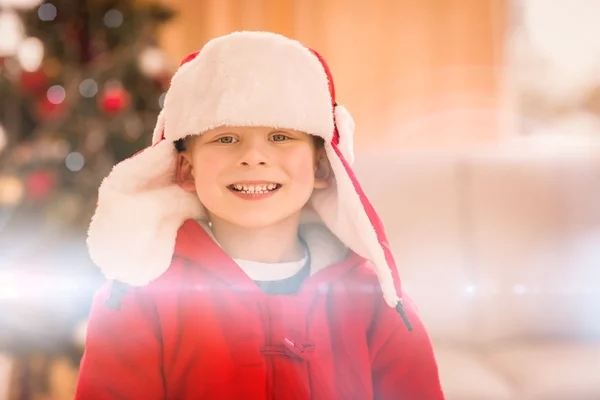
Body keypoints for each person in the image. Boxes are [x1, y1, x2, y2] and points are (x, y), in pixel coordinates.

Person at [75, 31, 445, 399]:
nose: (254, 156)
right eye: (225, 138)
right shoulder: (140, 301)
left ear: (320, 165)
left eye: (281, 137)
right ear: (186, 169)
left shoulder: (374, 302)